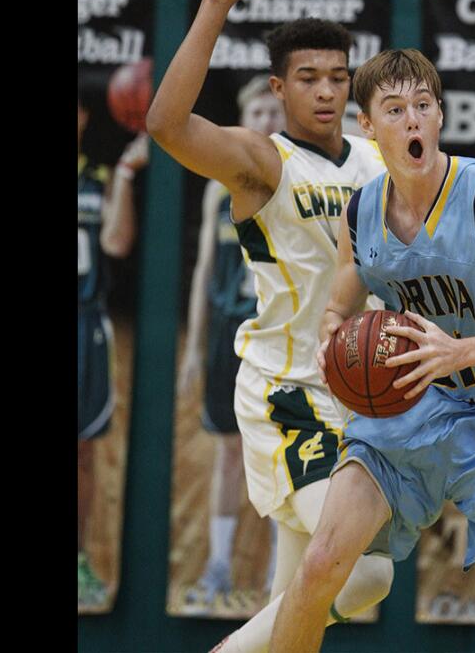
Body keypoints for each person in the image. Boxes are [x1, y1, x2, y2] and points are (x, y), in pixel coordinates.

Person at [270, 49, 475, 653]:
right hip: (411, 407)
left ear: (441, 115)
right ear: (367, 126)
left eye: (423, 106)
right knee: (322, 561)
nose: (413, 121)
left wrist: (461, 351)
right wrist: (331, 335)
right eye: (394, 110)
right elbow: (340, 298)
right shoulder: (361, 211)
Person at [145, 0, 393, 652]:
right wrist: (217, 2)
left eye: (337, 78)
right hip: (288, 392)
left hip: (358, 397)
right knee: (362, 573)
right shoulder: (262, 162)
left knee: (303, 602)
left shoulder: (377, 161)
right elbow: (165, 123)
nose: (325, 92)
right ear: (280, 89)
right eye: (307, 78)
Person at [178, 76, 285, 611]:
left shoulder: (298, 183)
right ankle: (219, 565)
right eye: (257, 112)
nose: (267, 121)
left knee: (283, 455)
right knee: (227, 452)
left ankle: (277, 573)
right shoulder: (218, 186)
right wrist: (195, 348)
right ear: (243, 121)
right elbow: (202, 271)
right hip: (226, 336)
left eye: (274, 112)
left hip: (279, 334)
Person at [78, 99, 149, 609]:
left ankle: (79, 558)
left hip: (84, 325)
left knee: (82, 449)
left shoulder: (97, 180)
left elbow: (118, 242)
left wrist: (125, 173)